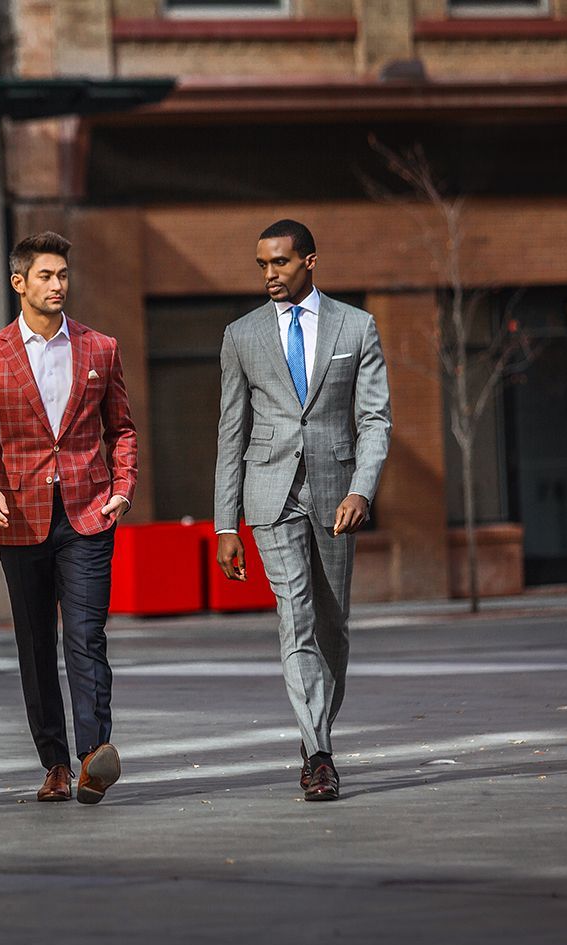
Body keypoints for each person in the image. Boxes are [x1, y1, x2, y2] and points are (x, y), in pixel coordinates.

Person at [0, 231, 138, 805]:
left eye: (63, 275)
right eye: (46, 276)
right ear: (19, 283)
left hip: (88, 513)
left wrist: (123, 486)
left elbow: (122, 429)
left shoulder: (100, 348)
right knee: (36, 644)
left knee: (86, 636)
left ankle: (92, 757)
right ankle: (54, 762)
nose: (58, 285)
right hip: (21, 519)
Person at [213, 219, 391, 802]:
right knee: (296, 614)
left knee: (333, 624)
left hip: (338, 493)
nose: (270, 275)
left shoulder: (356, 326)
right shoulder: (241, 336)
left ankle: (319, 731)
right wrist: (225, 524)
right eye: (262, 265)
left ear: (309, 262)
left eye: (281, 264)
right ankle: (317, 752)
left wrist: (361, 491)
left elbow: (374, 421)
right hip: (271, 495)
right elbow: (231, 433)